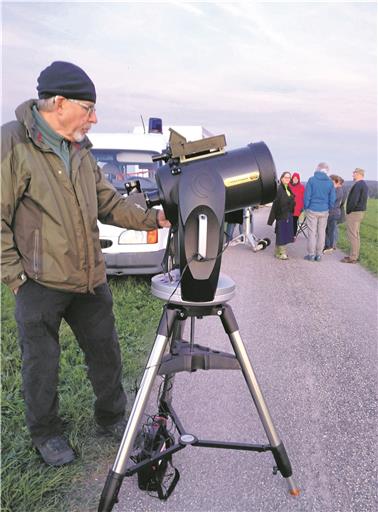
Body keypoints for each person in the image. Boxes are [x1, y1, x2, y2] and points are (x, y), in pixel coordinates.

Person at [1, 61, 170, 467]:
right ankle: (46, 433)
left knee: (105, 352)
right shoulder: (13, 143)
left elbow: (108, 202)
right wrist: (13, 274)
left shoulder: (80, 149)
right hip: (39, 281)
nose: (94, 118)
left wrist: (154, 219)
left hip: (91, 276)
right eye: (88, 108)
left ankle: (112, 416)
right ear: (58, 104)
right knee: (41, 364)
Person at [303, 162, 336, 262]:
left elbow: (307, 196)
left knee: (312, 233)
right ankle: (319, 255)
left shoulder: (312, 180)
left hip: (312, 209)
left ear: (317, 169)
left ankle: (311, 254)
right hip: (324, 210)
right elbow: (332, 198)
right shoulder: (330, 182)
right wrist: (329, 207)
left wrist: (306, 206)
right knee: (321, 233)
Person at [341, 168, 369, 264]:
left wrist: (348, 211)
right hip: (359, 212)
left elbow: (354, 200)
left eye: (354, 173)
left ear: (359, 174)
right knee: (356, 235)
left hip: (354, 213)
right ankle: (355, 255)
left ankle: (352, 257)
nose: (353, 175)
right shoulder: (364, 185)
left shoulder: (358, 185)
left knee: (352, 234)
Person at [267, 172, 295, 259]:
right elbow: (276, 204)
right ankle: (282, 253)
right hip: (282, 214)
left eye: (289, 178)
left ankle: (277, 252)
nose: (288, 179)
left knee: (283, 233)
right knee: (282, 233)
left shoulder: (288, 188)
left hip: (287, 214)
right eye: (286, 177)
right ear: (282, 178)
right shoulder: (279, 189)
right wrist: (271, 219)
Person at [323, 175, 344, 253]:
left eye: (330, 181)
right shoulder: (334, 189)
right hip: (330, 213)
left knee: (330, 231)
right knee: (327, 230)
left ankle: (329, 247)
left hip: (333, 213)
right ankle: (327, 246)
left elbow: (332, 200)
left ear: (335, 181)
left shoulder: (338, 190)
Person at [288, 172, 305, 236]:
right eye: (294, 178)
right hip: (289, 207)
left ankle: (293, 235)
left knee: (294, 222)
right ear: (292, 178)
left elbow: (304, 197)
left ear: (299, 179)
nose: (295, 180)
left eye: (297, 179)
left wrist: (302, 207)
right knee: (289, 221)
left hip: (297, 208)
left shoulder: (302, 187)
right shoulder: (289, 186)